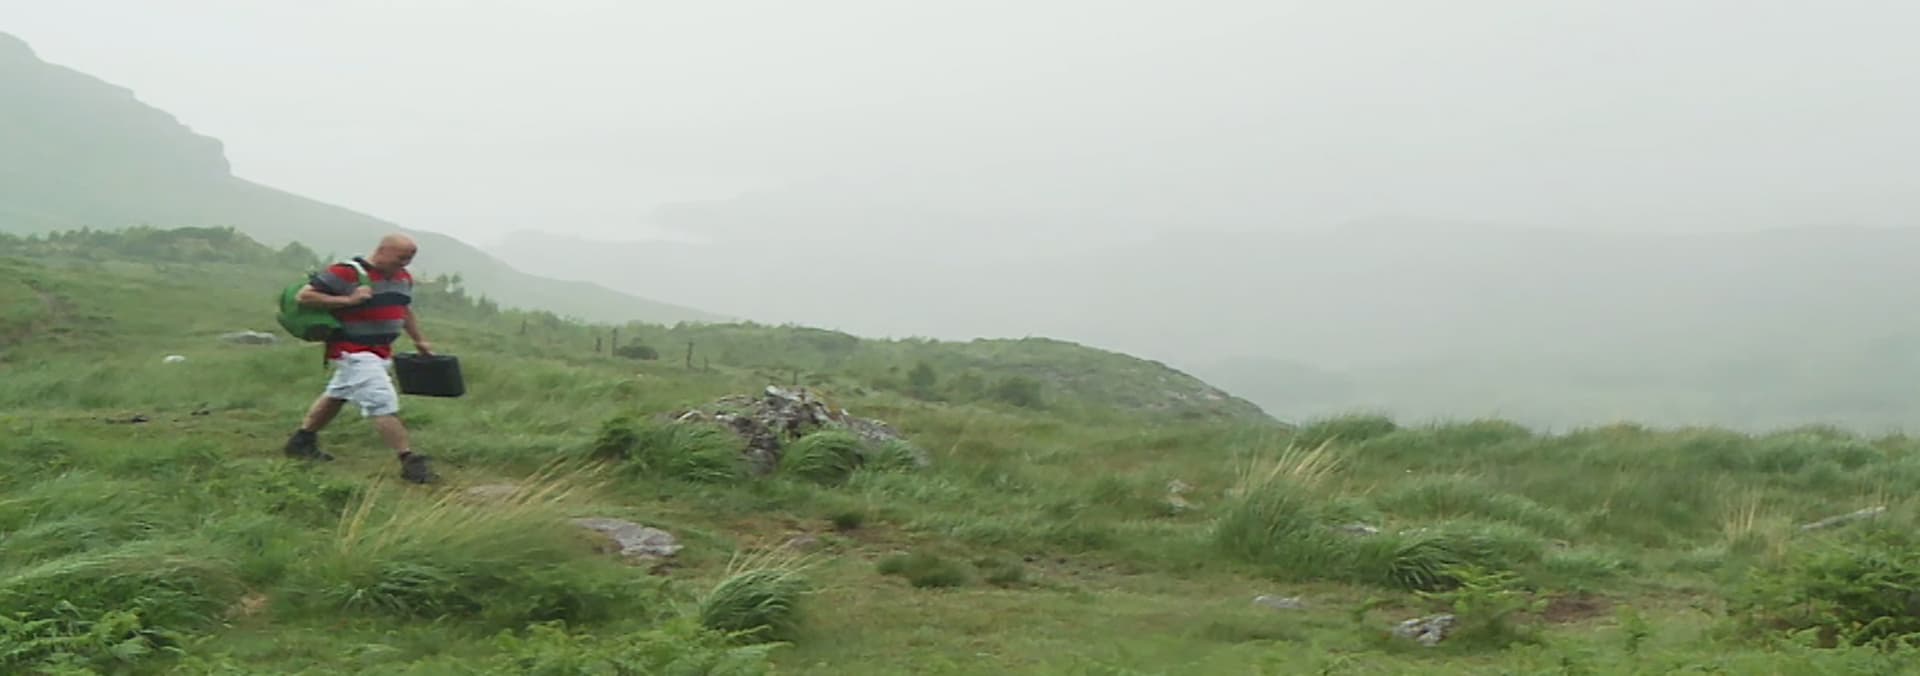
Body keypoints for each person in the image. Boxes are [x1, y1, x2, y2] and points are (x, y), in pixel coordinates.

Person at [282, 233, 439, 484]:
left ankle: (302, 441)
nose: (405, 264)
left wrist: (419, 340)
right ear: (382, 251)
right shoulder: (346, 272)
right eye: (401, 258)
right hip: (351, 350)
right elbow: (305, 296)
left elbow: (403, 309)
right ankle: (409, 460)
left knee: (337, 394)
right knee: (382, 402)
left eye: (409, 259)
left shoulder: (403, 278)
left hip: (381, 351)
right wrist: (348, 299)